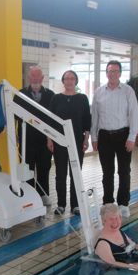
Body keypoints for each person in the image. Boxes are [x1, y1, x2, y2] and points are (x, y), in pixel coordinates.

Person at [91, 60, 138, 219]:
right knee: (107, 173)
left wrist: (132, 137)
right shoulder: (99, 92)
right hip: (104, 136)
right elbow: (95, 117)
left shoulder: (127, 91)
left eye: (115, 71)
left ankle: (123, 204)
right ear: (106, 73)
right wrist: (94, 137)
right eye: (110, 71)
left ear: (120, 73)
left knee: (124, 171)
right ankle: (108, 203)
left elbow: (134, 115)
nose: (112, 74)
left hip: (123, 135)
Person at [48, 70, 91, 216]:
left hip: (77, 141)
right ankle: (61, 204)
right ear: (63, 81)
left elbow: (87, 121)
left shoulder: (82, 98)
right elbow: (50, 121)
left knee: (75, 174)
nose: (69, 81)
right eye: (67, 78)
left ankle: (75, 205)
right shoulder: (56, 98)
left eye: (72, 78)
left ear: (76, 81)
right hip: (59, 141)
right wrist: (49, 139)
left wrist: (86, 140)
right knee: (60, 174)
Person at [18, 66, 55, 206]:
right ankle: (29, 196)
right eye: (33, 77)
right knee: (27, 169)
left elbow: (53, 118)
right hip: (27, 139)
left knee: (44, 167)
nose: (35, 79)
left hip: (45, 140)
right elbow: (16, 115)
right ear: (29, 78)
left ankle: (43, 194)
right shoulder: (20, 94)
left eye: (38, 77)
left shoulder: (51, 95)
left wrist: (51, 138)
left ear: (42, 78)